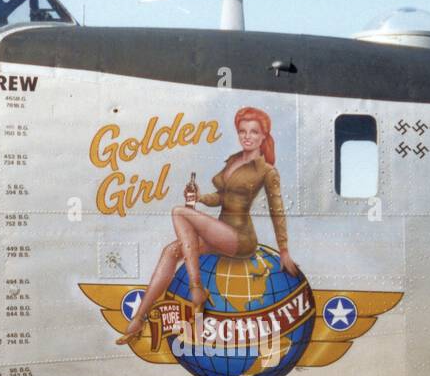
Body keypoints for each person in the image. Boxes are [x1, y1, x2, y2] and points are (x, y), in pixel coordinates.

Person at [117, 106, 297, 344]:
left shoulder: (266, 171)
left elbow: (277, 210)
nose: (247, 136)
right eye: (243, 131)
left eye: (254, 132)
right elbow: (221, 197)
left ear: (264, 136)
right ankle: (139, 318)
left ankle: (196, 289)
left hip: (239, 238)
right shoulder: (233, 160)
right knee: (171, 251)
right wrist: (199, 197)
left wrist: (283, 249)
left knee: (179, 213)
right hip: (221, 233)